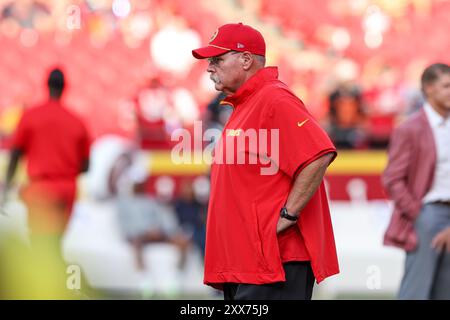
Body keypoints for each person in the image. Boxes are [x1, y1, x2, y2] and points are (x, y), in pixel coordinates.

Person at [192, 23, 339, 300]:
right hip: (248, 262)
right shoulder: (245, 103)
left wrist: (289, 215)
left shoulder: (273, 98)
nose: (210, 68)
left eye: (217, 60)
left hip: (275, 262)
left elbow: (318, 155)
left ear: (246, 59)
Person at [382, 63, 450, 299]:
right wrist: (419, 214)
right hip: (427, 212)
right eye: (446, 86)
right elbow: (393, 178)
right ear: (429, 89)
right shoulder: (410, 128)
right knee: (417, 290)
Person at [2, 67, 91, 237]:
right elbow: (86, 166)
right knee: (56, 242)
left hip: (40, 188)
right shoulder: (77, 121)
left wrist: (6, 187)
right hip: (67, 188)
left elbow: (15, 155)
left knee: (39, 243)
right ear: (65, 87)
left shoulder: (30, 116)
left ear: (46, 85)